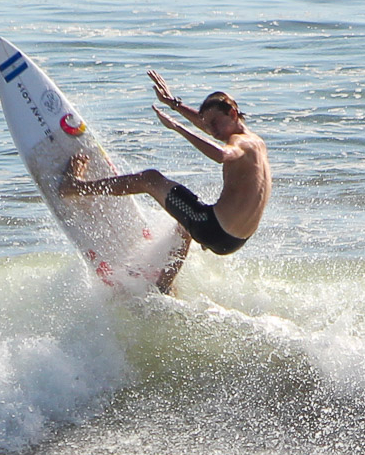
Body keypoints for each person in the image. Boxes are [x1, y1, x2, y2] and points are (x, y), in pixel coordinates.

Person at [61, 71, 271, 291]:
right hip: (234, 241)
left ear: (232, 113)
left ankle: (75, 187)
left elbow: (221, 155)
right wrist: (174, 104)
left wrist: (177, 127)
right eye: (209, 126)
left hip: (213, 228)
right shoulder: (256, 143)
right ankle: (163, 286)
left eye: (216, 123)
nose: (212, 131)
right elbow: (207, 126)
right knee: (184, 226)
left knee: (150, 179)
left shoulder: (238, 144)